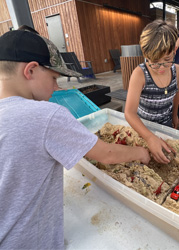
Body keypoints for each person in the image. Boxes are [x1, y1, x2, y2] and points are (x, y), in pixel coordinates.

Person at [0, 30, 150, 249]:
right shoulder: (46, 115)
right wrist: (140, 152)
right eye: (53, 78)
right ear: (30, 70)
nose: (56, 87)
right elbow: (106, 154)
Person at [124, 20, 179, 164]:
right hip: (143, 127)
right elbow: (129, 113)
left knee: (166, 159)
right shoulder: (140, 74)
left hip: (166, 123)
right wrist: (149, 137)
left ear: (174, 50)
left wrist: (175, 115)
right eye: (153, 62)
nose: (161, 67)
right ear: (145, 54)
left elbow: (176, 93)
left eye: (167, 59)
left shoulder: (177, 70)